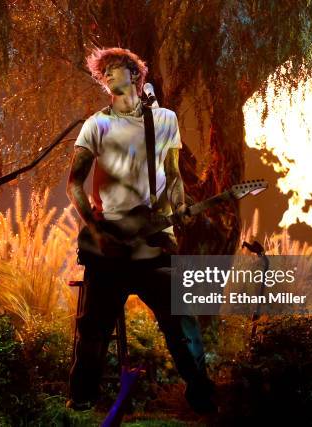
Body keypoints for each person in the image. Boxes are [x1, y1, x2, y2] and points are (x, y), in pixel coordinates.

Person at [66, 47, 217, 414]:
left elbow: (174, 173)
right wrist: (95, 230)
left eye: (114, 69)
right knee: (93, 328)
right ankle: (82, 397)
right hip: (110, 241)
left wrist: (180, 206)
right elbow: (74, 183)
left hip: (153, 237)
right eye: (103, 73)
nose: (107, 77)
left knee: (180, 319)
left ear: (135, 74)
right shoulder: (96, 124)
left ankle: (201, 392)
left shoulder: (164, 120)